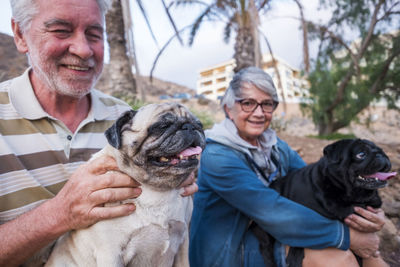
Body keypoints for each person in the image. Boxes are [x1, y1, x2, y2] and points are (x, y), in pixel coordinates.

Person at [0, 0, 197, 266]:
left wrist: (177, 169)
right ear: (20, 34)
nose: (82, 50)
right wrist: (58, 215)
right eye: (61, 30)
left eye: (94, 34)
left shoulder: (127, 120)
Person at [189, 66, 387, 267]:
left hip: (267, 233)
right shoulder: (217, 155)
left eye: (267, 104)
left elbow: (316, 186)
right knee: (337, 258)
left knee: (369, 255)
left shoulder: (273, 145)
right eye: (247, 103)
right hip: (228, 252)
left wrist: (368, 215)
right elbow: (270, 209)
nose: (259, 113)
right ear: (228, 109)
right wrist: (347, 236)